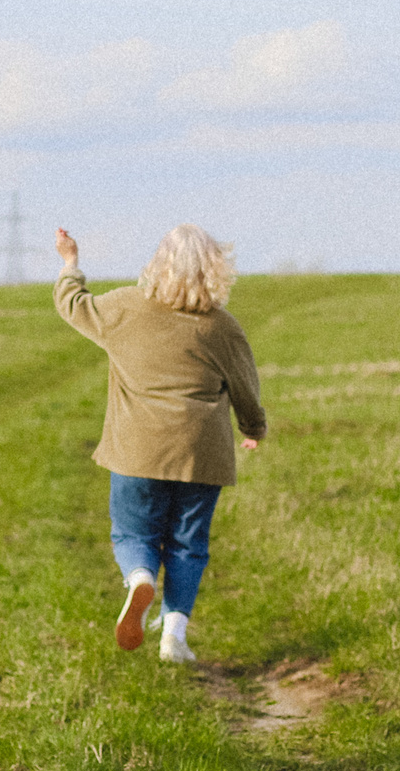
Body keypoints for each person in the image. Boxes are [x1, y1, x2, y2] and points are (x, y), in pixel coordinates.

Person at [52, 222, 266, 663]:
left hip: (136, 449)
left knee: (133, 532)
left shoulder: (124, 307)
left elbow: (72, 304)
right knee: (189, 543)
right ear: (215, 270)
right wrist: (253, 427)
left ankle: (140, 577)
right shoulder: (222, 326)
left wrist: (70, 263)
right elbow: (245, 386)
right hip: (200, 454)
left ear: (156, 263)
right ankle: (174, 636)